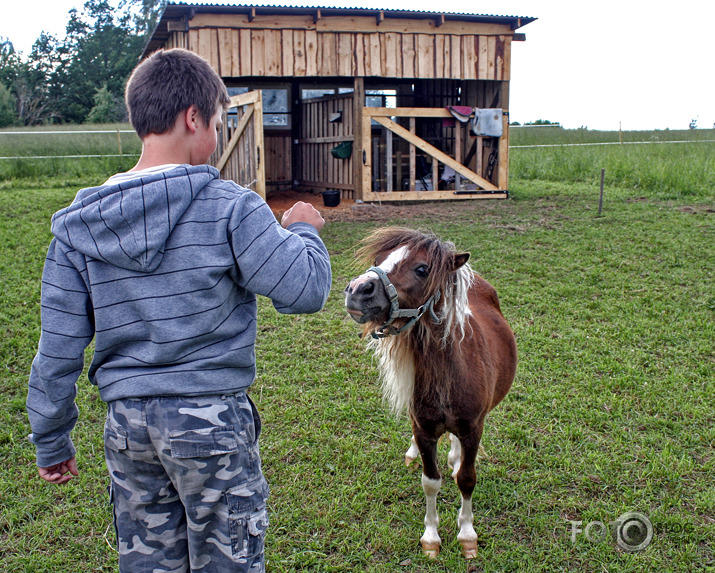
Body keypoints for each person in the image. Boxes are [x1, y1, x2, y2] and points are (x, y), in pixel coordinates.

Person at [26, 48, 331, 572]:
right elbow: (304, 290)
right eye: (217, 122)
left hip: (127, 429)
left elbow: (56, 349)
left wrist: (50, 435)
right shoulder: (231, 206)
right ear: (193, 118)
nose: (216, 135)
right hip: (211, 423)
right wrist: (303, 228)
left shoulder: (78, 227)